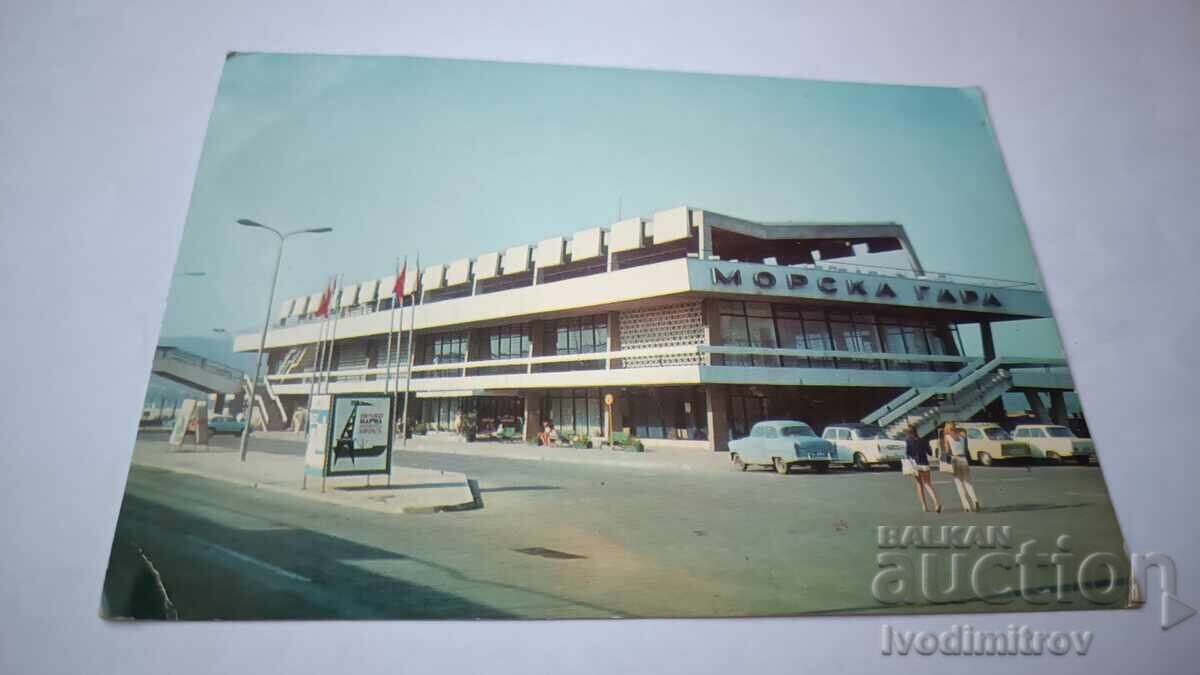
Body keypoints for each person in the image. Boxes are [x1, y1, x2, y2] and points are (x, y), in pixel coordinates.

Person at [940, 422, 981, 512]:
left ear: (947, 428)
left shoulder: (947, 437)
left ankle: (966, 506)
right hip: (964, 459)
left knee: (958, 483)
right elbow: (966, 449)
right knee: (968, 482)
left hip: (955, 460)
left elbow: (947, 451)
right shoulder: (962, 435)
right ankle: (975, 500)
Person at [905, 426, 941, 513]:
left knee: (919, 485)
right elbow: (930, 452)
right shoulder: (923, 440)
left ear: (909, 433)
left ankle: (924, 506)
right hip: (925, 464)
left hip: (915, 465)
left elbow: (907, 453)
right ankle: (936, 502)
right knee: (928, 484)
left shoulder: (908, 441)